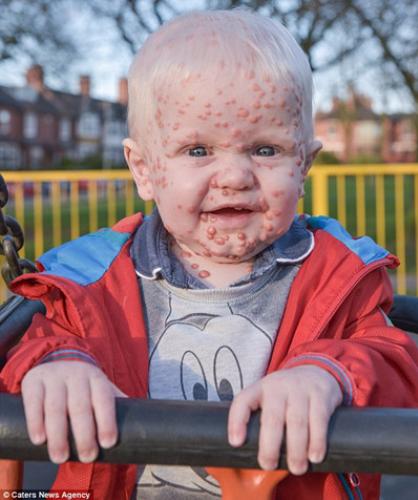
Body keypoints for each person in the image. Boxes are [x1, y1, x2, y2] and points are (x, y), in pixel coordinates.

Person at [1, 9, 418, 500]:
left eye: (265, 150)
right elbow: (32, 345)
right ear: (144, 169)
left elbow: (397, 362)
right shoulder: (93, 281)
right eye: (198, 150)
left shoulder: (338, 276)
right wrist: (57, 363)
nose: (235, 176)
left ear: (304, 165)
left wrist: (331, 373)